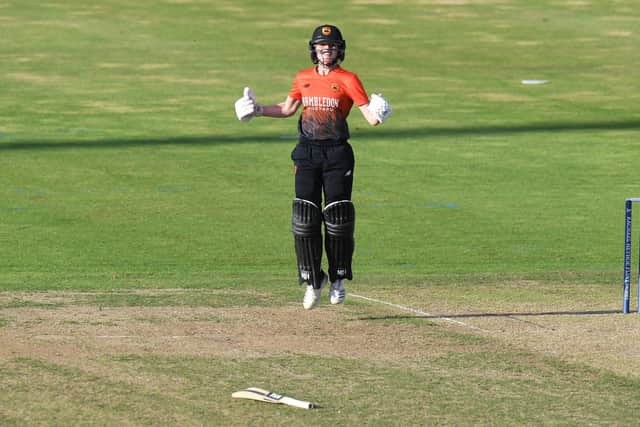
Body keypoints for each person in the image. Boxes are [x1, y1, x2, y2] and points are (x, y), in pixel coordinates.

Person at [234, 24, 392, 309]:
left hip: (337, 154)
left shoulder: (348, 79)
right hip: (307, 153)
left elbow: (370, 117)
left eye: (331, 46)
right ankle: (312, 281)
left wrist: (382, 113)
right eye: (322, 46)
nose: (327, 50)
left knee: (338, 219)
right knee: (305, 217)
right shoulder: (303, 78)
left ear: (339, 49)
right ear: (314, 49)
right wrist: (256, 110)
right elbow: (287, 109)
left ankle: (338, 279)